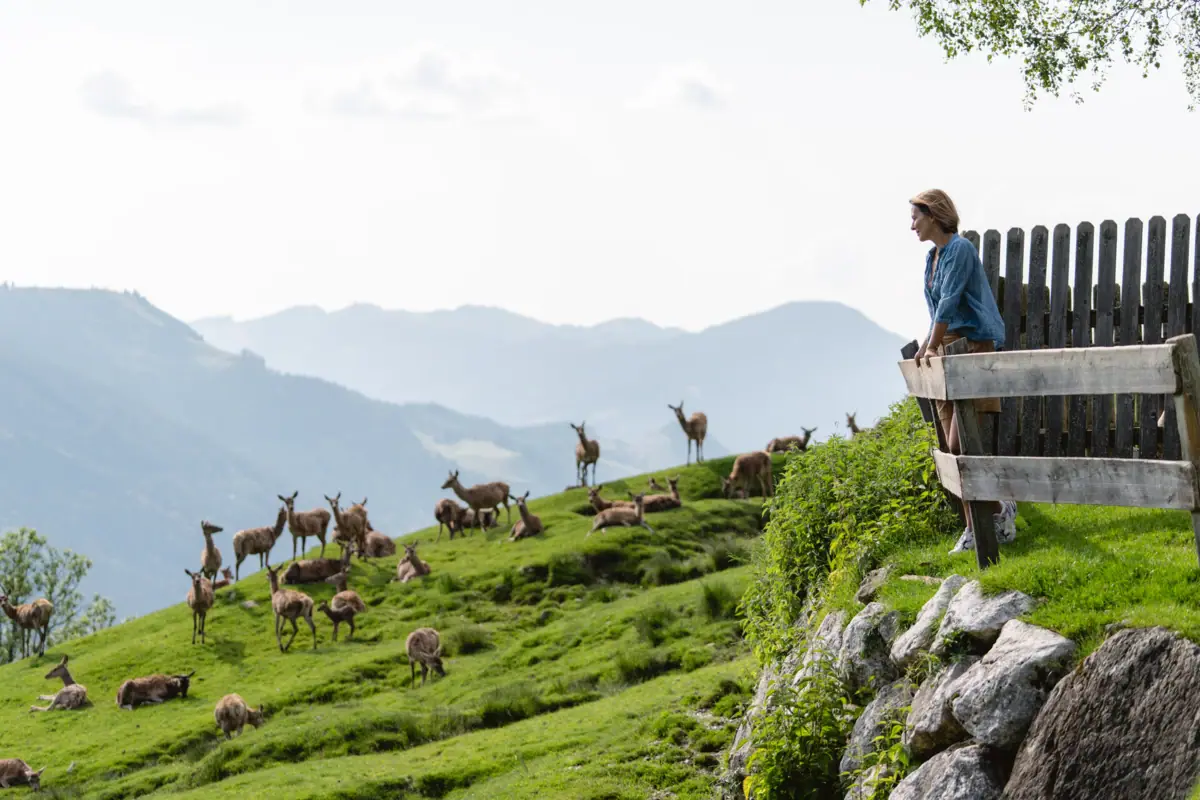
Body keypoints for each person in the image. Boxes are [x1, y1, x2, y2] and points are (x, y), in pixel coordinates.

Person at [910, 189, 1017, 553]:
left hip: (970, 349)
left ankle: (1000, 508)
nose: (912, 225)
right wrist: (933, 346)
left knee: (961, 444)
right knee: (952, 452)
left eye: (916, 217)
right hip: (944, 352)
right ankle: (976, 528)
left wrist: (928, 345)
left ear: (935, 214)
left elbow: (950, 300)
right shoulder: (932, 257)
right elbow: (935, 308)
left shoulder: (960, 250)